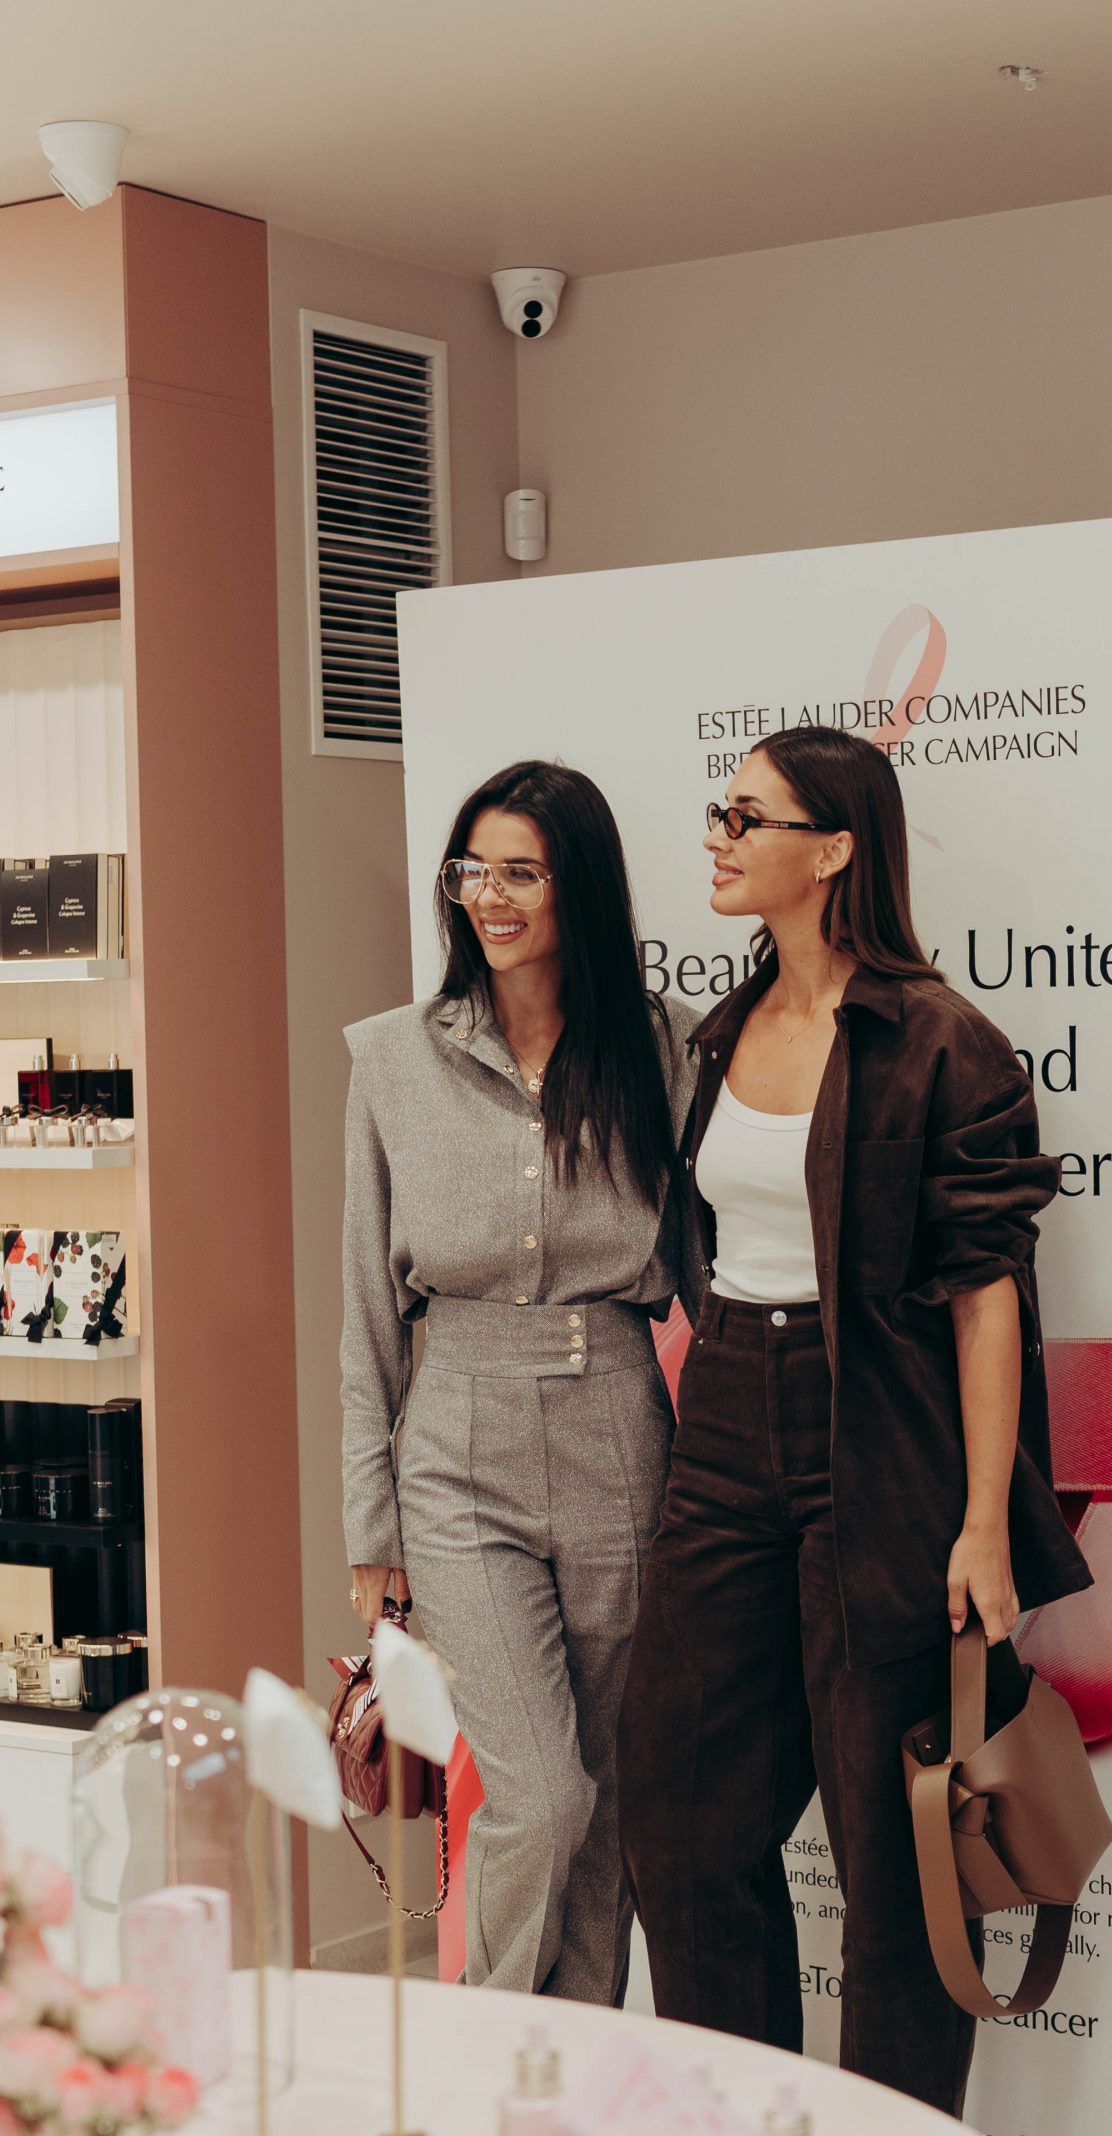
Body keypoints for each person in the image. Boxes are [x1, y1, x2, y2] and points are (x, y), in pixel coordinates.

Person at [618, 725, 1090, 2113]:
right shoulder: (721, 1029)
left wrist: (983, 1522)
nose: (716, 838)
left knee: (896, 1852)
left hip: (879, 1443)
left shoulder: (943, 1042)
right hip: (722, 1418)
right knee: (680, 1812)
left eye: (744, 816)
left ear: (831, 849)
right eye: (718, 812)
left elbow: (987, 1296)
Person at [341, 760, 697, 2001]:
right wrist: (371, 1524)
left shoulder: (663, 1047)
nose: (487, 896)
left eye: (520, 872)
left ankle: (571, 2071)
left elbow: (705, 1263)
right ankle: (478, 2052)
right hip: (455, 1449)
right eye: (470, 870)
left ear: (577, 887)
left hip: (620, 1430)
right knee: (540, 1793)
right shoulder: (392, 1058)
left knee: (606, 1799)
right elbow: (365, 1312)